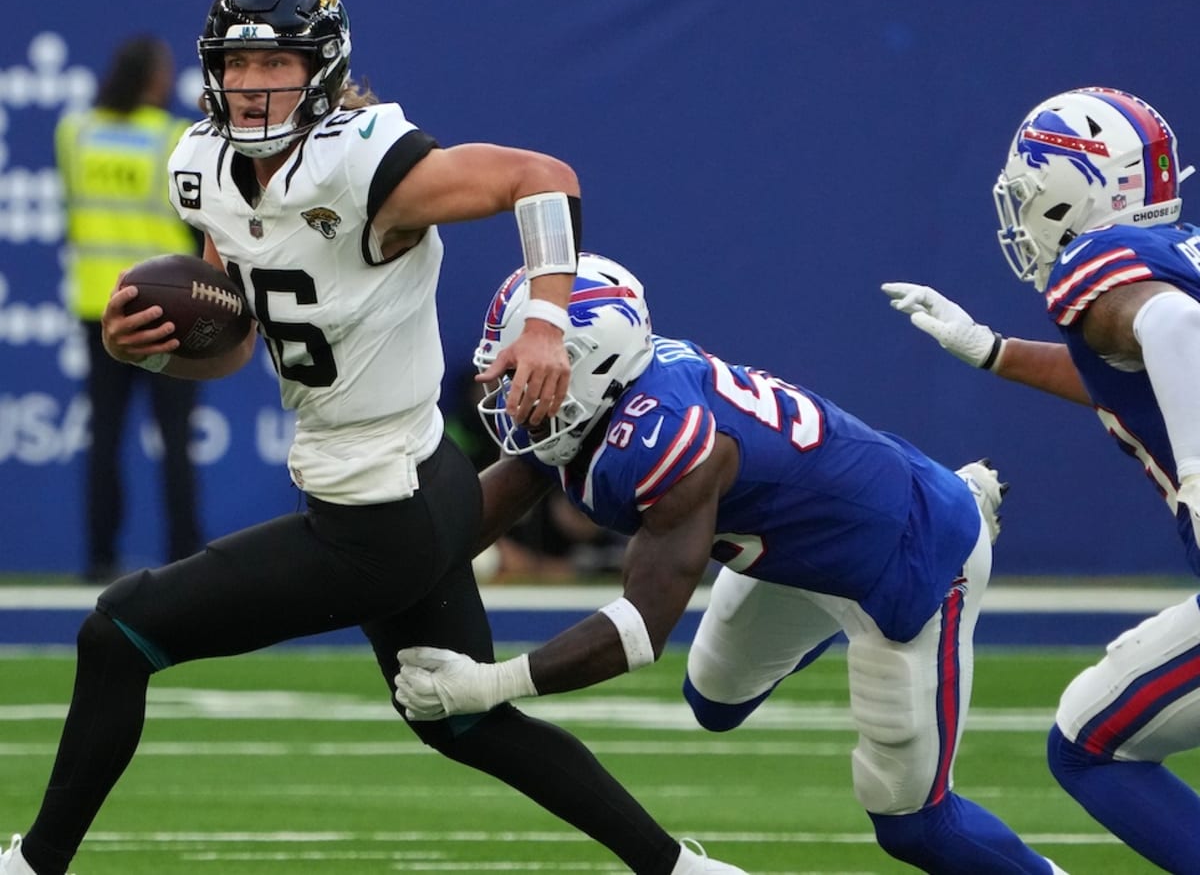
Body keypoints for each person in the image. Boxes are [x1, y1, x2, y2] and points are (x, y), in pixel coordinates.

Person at [0, 0, 743, 874]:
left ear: (322, 68)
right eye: (238, 62)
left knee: (117, 631)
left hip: (382, 508)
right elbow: (236, 343)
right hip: (408, 488)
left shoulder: (361, 158)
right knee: (461, 719)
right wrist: (151, 350)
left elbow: (541, 178)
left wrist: (546, 322)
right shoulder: (200, 164)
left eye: (276, 59)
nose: (254, 82)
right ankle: (680, 869)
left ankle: (33, 865)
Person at [394, 252, 1068, 874]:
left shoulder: (668, 436)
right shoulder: (605, 399)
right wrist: (375, 563)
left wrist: (486, 685)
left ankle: (963, 503)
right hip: (797, 553)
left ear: (590, 362)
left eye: (532, 370)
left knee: (914, 826)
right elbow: (481, 508)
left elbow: (638, 631)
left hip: (911, 558)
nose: (515, 388)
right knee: (713, 700)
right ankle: (859, 554)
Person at [880, 86, 1200, 873]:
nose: (1022, 209)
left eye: (1031, 188)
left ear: (1082, 186)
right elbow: (1139, 366)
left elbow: (1170, 328)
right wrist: (993, 351)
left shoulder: (1102, 260)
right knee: (1091, 729)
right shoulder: (1181, 250)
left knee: (1091, 744)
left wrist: (1197, 471)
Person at [55, 35, 203, 584]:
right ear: (153, 79)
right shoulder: (173, 138)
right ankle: (186, 557)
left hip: (100, 306)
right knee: (176, 440)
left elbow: (75, 205)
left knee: (105, 439)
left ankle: (98, 559)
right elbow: (194, 223)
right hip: (168, 313)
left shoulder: (75, 133)